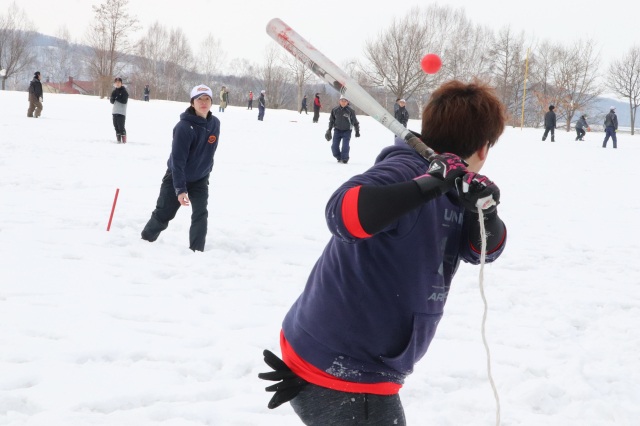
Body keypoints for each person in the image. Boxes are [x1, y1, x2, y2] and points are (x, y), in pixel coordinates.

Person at [258, 80, 508, 425]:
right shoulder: (406, 170)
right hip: (339, 364)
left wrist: (486, 212)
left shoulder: (457, 188)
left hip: (364, 364)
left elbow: (482, 252)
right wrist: (430, 185)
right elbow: (342, 214)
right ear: (484, 148)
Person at [140, 85, 220, 252]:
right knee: (164, 214)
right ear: (192, 103)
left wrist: (206, 171)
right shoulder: (183, 127)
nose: (203, 102)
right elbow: (177, 161)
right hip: (176, 177)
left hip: (200, 179)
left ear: (211, 102)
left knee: (200, 214)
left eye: (207, 99)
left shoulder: (215, 124)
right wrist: (180, 189)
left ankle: (197, 251)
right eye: (199, 99)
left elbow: (209, 152)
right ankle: (145, 241)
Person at [325, 95, 360, 164]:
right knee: (334, 147)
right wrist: (329, 129)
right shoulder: (335, 110)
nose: (343, 102)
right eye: (342, 101)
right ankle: (339, 157)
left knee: (345, 146)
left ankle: (344, 159)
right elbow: (331, 121)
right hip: (337, 130)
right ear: (339, 101)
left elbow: (355, 122)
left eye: (345, 101)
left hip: (347, 131)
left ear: (347, 102)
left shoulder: (350, 111)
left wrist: (357, 131)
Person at [110, 77, 129, 143]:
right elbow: (112, 101)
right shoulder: (114, 91)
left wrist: (117, 98)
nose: (117, 84)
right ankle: (118, 140)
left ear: (121, 83)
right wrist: (112, 98)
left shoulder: (124, 91)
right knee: (116, 127)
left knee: (121, 127)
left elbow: (124, 101)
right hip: (115, 111)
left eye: (119, 82)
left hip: (121, 112)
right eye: (116, 82)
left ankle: (124, 141)